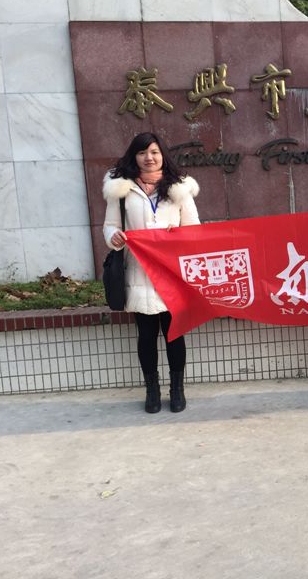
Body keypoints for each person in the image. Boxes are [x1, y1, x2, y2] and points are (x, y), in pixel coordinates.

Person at [103, 132, 200, 413]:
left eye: (154, 152)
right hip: (138, 272)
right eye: (143, 152)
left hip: (171, 273)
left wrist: (176, 235)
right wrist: (114, 237)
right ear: (134, 156)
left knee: (174, 334)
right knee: (146, 335)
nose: (149, 158)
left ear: (162, 155)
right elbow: (110, 226)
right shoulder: (121, 189)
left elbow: (194, 228)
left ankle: (177, 389)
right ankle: (152, 390)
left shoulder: (179, 187)